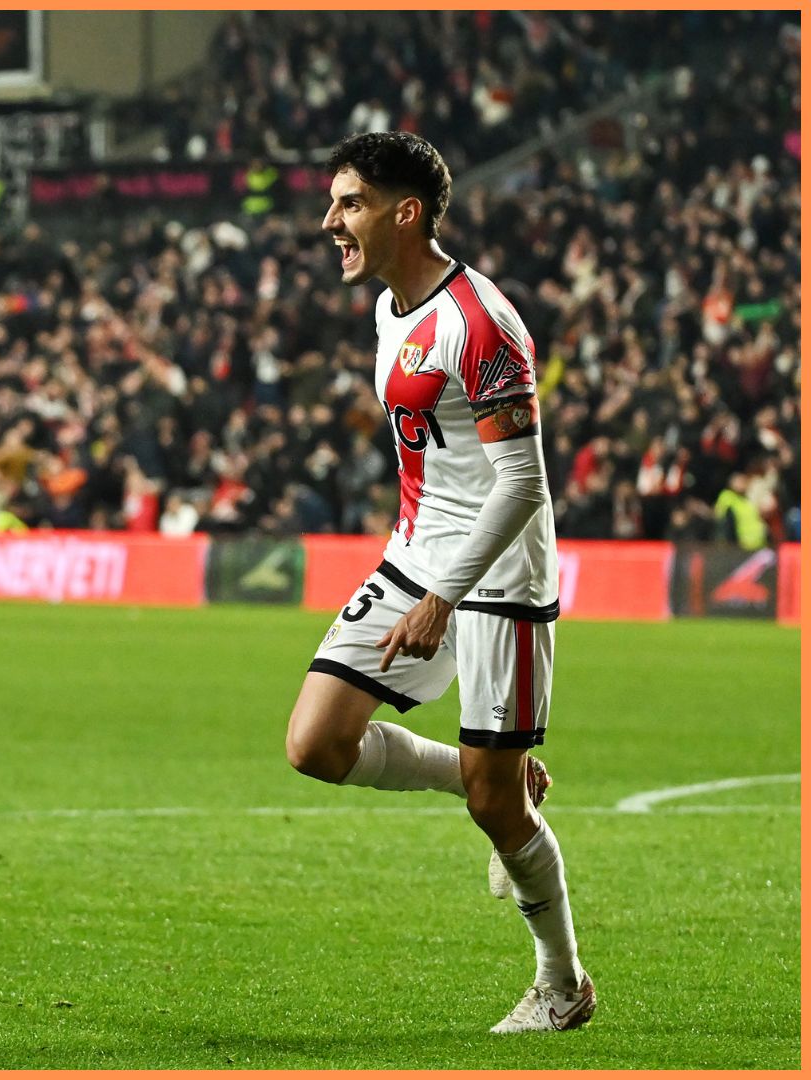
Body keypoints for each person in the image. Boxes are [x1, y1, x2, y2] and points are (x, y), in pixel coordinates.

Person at [283, 133, 594, 1032]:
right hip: (416, 553)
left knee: (500, 807)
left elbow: (523, 483)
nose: (329, 220)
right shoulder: (389, 309)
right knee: (315, 744)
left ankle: (562, 982)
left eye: (347, 204)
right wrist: (422, 575)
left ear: (404, 212)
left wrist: (443, 596)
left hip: (498, 573)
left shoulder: (482, 323)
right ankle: (477, 777)